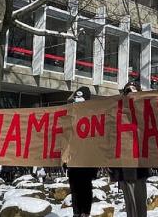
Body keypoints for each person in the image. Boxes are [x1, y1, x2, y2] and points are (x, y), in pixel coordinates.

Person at [109, 82, 149, 217]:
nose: (130, 95)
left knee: (139, 205)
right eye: (127, 92)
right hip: (123, 168)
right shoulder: (117, 113)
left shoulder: (144, 112)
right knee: (130, 206)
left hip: (138, 167)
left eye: (133, 92)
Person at [66, 86, 98, 217]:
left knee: (85, 187)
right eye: (77, 98)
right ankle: (76, 213)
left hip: (87, 160)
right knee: (74, 188)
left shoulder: (93, 116)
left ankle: (85, 213)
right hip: (73, 159)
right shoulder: (69, 115)